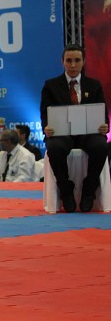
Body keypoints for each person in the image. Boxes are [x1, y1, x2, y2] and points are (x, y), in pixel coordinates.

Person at [41, 44, 109, 212]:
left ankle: (89, 190)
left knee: (100, 146)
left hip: (88, 133)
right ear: (62, 61)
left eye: (77, 60)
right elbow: (44, 113)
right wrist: (46, 128)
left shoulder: (94, 85)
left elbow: (103, 112)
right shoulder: (51, 85)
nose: (73, 65)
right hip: (62, 134)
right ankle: (65, 191)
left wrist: (104, 126)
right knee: (55, 147)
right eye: (69, 60)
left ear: (83, 61)